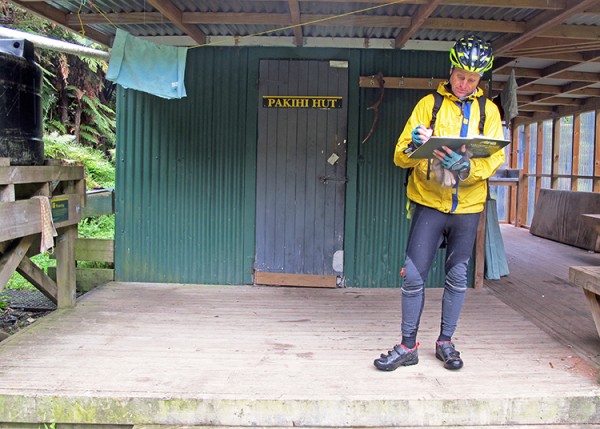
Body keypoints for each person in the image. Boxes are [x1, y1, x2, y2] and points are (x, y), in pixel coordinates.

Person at [374, 35, 505, 371]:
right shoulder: (428, 105)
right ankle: (407, 347)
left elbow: (494, 159)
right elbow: (399, 156)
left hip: (468, 208)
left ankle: (446, 342)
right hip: (429, 202)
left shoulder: (488, 111)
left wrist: (469, 168)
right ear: (450, 69)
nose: (464, 84)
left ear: (481, 81)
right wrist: (414, 145)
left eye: (472, 79)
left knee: (457, 278)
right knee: (413, 277)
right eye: (460, 75)